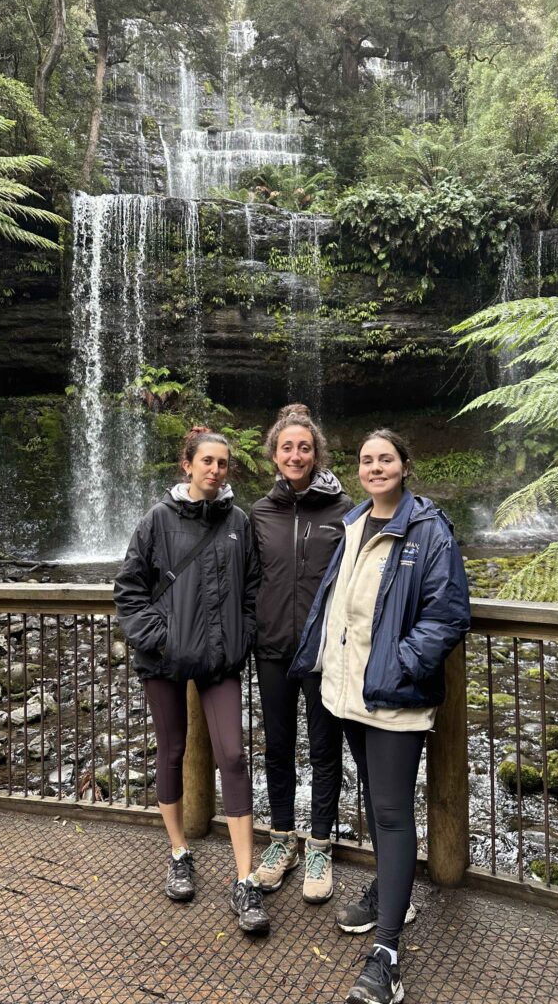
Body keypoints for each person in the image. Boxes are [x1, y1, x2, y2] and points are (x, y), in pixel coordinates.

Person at [290, 429, 470, 1004]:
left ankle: (388, 953)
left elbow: (447, 614)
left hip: (392, 697)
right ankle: (394, 892)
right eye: (366, 460)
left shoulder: (427, 530)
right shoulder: (353, 522)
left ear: (405, 464)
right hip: (346, 693)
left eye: (385, 458)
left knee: (390, 813)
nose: (375, 467)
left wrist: (400, 665)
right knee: (375, 801)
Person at [113, 426, 269, 935]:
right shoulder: (157, 521)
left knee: (234, 754)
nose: (215, 470)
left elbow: (251, 588)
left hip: (221, 659)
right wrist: (160, 637)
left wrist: (241, 636)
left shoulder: (238, 522)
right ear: (188, 464)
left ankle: (245, 879)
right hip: (164, 657)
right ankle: (179, 851)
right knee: (171, 750)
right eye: (207, 460)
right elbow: (129, 589)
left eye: (223, 463)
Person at [251, 404, 352, 903]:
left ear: (317, 455)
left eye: (304, 447)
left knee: (324, 749)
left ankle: (320, 844)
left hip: (321, 652)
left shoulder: (342, 512)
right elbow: (247, 581)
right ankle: (281, 839)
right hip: (271, 649)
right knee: (277, 748)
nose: (295, 455)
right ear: (274, 454)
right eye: (287, 447)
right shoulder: (260, 513)